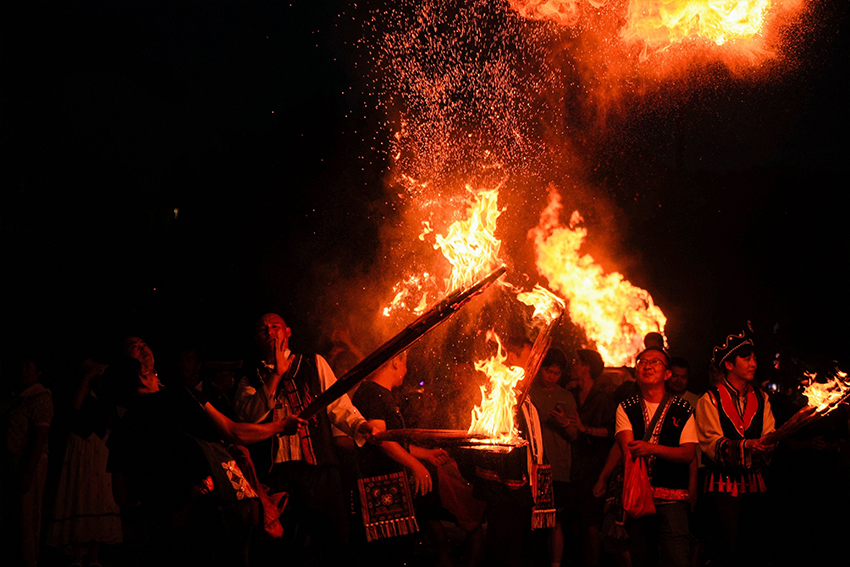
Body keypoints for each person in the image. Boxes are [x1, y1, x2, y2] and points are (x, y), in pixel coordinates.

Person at [233, 313, 379, 561]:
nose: (269, 332)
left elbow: (338, 405)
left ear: (287, 332)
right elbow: (249, 417)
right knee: (283, 548)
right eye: (262, 329)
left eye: (275, 327)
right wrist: (276, 374)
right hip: (276, 476)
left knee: (335, 541)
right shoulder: (249, 374)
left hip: (319, 470)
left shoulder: (313, 362)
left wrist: (360, 425)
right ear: (256, 339)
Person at [695, 323, 775, 567]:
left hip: (754, 486)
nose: (753, 363)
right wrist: (746, 445)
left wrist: (766, 444)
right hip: (721, 488)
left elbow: (770, 432)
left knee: (753, 547)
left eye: (754, 358)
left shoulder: (762, 398)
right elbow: (710, 442)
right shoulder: (709, 399)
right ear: (729, 365)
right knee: (724, 549)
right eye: (746, 358)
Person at [616, 347, 696, 567]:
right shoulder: (626, 408)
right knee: (643, 559)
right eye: (642, 361)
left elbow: (688, 453)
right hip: (639, 501)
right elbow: (628, 451)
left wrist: (652, 448)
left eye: (655, 362)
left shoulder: (683, 409)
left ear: (667, 374)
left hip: (672, 500)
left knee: (677, 559)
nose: (647, 366)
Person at [48, 358, 122, 566]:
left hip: (99, 446)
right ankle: (79, 555)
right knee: (79, 494)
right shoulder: (78, 391)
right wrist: (86, 378)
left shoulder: (106, 393)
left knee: (99, 496)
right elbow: (74, 409)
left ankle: (94, 556)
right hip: (81, 446)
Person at [1, 357, 54, 567]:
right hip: (12, 460)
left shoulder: (40, 397)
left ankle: (30, 561)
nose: (23, 371)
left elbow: (41, 437)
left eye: (28, 367)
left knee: (28, 516)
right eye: (21, 366)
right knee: (15, 515)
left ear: (38, 372)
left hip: (29, 462)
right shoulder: (16, 398)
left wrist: (29, 472)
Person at [528, 347, 578, 567]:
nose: (551, 376)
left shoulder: (566, 397)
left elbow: (574, 434)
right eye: (548, 370)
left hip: (558, 467)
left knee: (555, 520)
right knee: (531, 519)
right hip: (532, 467)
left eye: (556, 373)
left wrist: (565, 423)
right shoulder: (528, 391)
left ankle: (555, 564)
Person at [565, 348, 615, 567]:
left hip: (594, 464)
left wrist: (586, 429)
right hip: (574, 464)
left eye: (578, 362)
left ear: (586, 368)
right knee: (576, 520)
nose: (574, 365)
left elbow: (612, 431)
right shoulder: (572, 395)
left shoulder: (603, 399)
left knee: (591, 520)